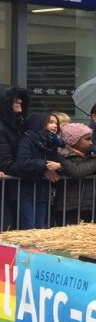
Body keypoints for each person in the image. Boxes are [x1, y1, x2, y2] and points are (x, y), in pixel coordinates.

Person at [55, 123, 96, 224]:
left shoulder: (89, 155)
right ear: (74, 140)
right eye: (87, 139)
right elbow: (77, 171)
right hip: (67, 206)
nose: (91, 143)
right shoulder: (61, 155)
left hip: (88, 206)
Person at [14, 113, 64, 229]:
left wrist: (59, 166)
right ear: (40, 124)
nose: (55, 126)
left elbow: (61, 164)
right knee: (29, 227)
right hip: (27, 192)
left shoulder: (52, 144)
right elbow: (23, 162)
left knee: (40, 227)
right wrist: (46, 165)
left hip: (42, 193)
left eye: (56, 123)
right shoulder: (27, 140)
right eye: (51, 122)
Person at [0, 87, 31, 228]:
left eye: (20, 98)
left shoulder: (20, 125)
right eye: (15, 98)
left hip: (15, 189)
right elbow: (6, 162)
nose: (19, 101)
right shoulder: (3, 128)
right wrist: (38, 170)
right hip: (5, 189)